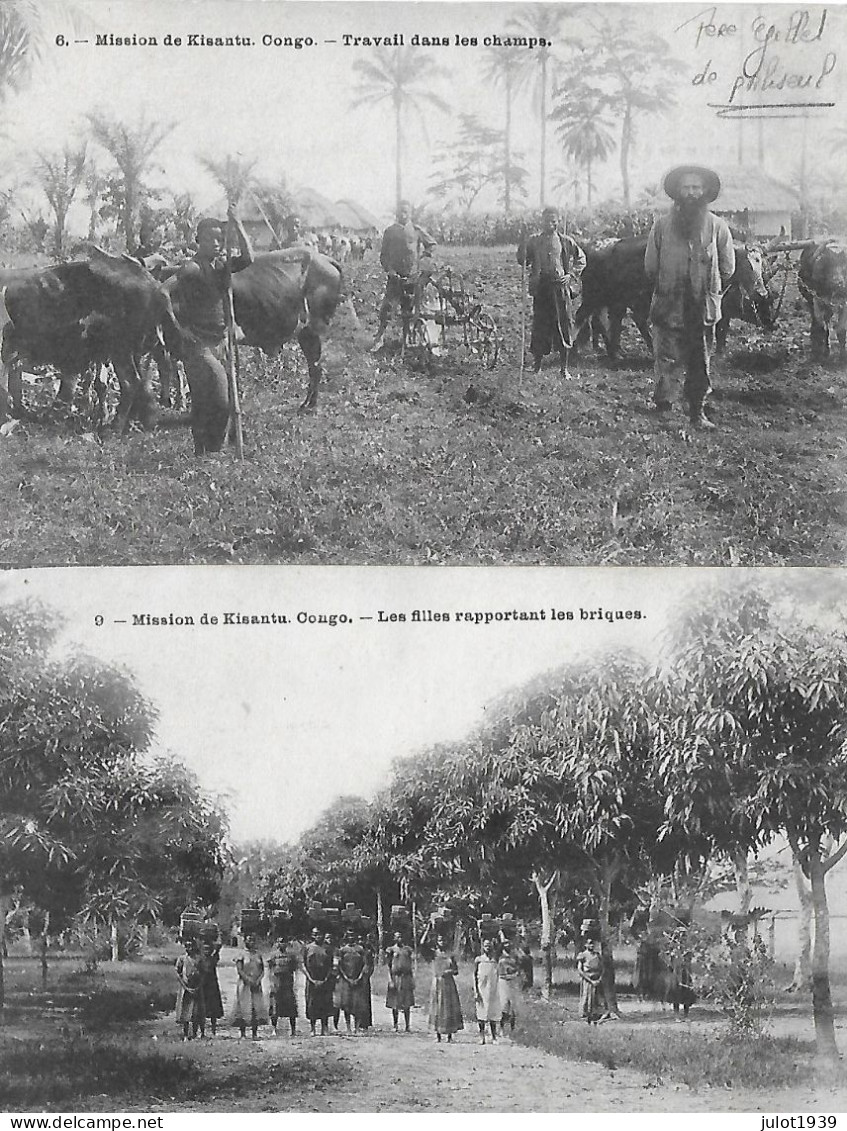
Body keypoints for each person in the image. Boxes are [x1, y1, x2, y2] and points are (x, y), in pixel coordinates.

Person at [644, 164, 735, 429]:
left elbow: (728, 269)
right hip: (669, 304)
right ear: (677, 192)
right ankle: (663, 406)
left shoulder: (718, 227)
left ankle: (698, 410)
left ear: (705, 191)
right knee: (666, 357)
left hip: (701, 307)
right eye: (686, 187)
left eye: (697, 187)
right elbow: (650, 267)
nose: (692, 193)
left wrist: (707, 287)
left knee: (700, 359)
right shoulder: (661, 227)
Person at [168, 204, 254, 455]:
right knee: (220, 401)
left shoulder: (221, 267)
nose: (216, 243)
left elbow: (249, 258)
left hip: (220, 341)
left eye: (220, 239)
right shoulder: (191, 268)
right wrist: (179, 328)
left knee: (207, 402)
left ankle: (205, 453)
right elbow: (162, 292)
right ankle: (209, 453)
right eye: (210, 239)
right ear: (198, 240)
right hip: (198, 345)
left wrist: (237, 224)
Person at [517, 207, 586, 380]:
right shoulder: (533, 241)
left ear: (558, 221)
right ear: (542, 221)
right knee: (540, 326)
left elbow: (581, 258)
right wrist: (522, 242)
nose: (551, 223)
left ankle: (564, 369)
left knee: (563, 325)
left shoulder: (565, 241)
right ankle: (537, 366)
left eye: (554, 220)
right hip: (541, 288)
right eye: (548, 220)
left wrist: (571, 275)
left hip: (560, 288)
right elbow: (522, 260)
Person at [371, 200, 436, 351]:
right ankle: (379, 338)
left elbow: (432, 244)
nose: (403, 214)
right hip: (395, 277)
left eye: (406, 211)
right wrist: (390, 270)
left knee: (409, 310)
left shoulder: (416, 230)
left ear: (410, 213)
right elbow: (384, 256)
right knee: (387, 308)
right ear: (396, 213)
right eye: (400, 211)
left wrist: (424, 256)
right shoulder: (390, 231)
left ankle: (406, 339)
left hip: (412, 277)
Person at [429, 934, 463, 1042]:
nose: (442, 942)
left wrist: (450, 971)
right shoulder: (433, 953)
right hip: (438, 982)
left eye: (443, 940)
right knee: (437, 1006)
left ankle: (449, 1035)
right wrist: (428, 928)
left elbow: (456, 970)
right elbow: (421, 945)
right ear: (437, 942)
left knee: (449, 1008)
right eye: (439, 940)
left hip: (448, 983)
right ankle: (438, 1034)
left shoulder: (450, 955)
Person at [232, 934, 267, 1039]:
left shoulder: (258, 955)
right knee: (243, 1007)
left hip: (256, 985)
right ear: (245, 941)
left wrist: (258, 980)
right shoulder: (241, 954)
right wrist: (248, 980)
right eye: (249, 940)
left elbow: (262, 970)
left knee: (255, 1008)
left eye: (253, 940)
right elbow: (239, 970)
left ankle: (254, 1033)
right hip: (244, 984)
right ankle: (243, 1033)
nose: (251, 942)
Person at [336, 928, 369, 1034]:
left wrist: (359, 977)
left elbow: (365, 964)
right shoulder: (343, 950)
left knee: (358, 1005)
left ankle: (357, 1027)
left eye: (352, 936)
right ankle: (348, 1027)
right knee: (347, 1004)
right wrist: (346, 978)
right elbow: (339, 966)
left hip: (358, 980)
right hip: (346, 981)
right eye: (348, 936)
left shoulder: (360, 949)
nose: (351, 938)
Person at [303, 926, 334, 1035]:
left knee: (324, 1003)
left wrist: (326, 979)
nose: (318, 936)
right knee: (312, 1003)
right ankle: (312, 1028)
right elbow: (303, 965)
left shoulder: (327, 948)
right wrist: (310, 979)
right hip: (312, 979)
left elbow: (331, 965)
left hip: (324, 979)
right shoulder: (307, 948)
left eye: (320, 934)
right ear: (312, 935)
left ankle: (324, 1027)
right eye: (315, 934)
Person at [268, 935, 300, 1037]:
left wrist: (294, 983)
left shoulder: (291, 955)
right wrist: (272, 982)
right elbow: (270, 968)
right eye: (280, 942)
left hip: (288, 983)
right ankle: (274, 1029)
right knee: (275, 1007)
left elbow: (295, 968)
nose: (282, 944)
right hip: (277, 982)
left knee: (291, 1006)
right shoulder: (273, 955)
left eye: (284, 942)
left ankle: (293, 1030)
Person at [385, 929, 415, 1032]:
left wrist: (412, 980)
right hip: (395, 977)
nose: (399, 938)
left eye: (401, 936)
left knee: (407, 1003)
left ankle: (407, 1026)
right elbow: (388, 966)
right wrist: (390, 980)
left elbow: (411, 966)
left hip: (406, 977)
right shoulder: (391, 950)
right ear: (394, 938)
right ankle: (395, 1025)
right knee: (395, 1003)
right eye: (397, 937)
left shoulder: (407, 950)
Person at [174, 938, 204, 1041]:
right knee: (185, 1012)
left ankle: (195, 1033)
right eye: (187, 946)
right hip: (186, 989)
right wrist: (185, 986)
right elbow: (178, 973)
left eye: (191, 946)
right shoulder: (182, 959)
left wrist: (198, 987)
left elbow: (203, 974)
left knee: (196, 1012)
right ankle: (186, 1034)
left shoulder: (199, 959)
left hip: (196, 988)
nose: (189, 948)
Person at [474, 936, 501, 1044]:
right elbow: (474, 975)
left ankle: (494, 1037)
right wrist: (476, 991)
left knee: (493, 1013)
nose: (488, 948)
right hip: (481, 989)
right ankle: (482, 1037)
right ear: (483, 947)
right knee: (481, 1013)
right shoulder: (479, 959)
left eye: (490, 946)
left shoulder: (495, 959)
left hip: (493, 989)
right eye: (486, 946)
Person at [576, 937, 607, 1025]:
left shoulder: (597, 955)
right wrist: (589, 980)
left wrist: (599, 979)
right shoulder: (583, 955)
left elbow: (602, 968)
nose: (591, 945)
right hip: (588, 980)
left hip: (597, 980)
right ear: (585, 945)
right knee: (587, 998)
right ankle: (586, 1017)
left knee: (597, 999)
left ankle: (597, 1016)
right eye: (589, 943)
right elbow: (580, 970)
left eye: (593, 943)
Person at [197, 939, 224, 1038]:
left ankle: (213, 1030)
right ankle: (202, 1031)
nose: (206, 951)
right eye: (205, 949)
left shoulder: (213, 959)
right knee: (201, 1010)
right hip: (202, 985)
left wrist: (217, 949)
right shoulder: (200, 959)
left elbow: (219, 947)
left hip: (212, 986)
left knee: (213, 1009)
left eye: (208, 949)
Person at [498, 938, 519, 1040]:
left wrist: (515, 975)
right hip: (503, 983)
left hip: (513, 982)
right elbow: (500, 973)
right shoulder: (500, 957)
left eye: (509, 943)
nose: (508, 945)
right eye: (505, 943)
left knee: (513, 1006)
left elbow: (518, 969)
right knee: (504, 1005)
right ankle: (501, 1028)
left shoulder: (514, 957)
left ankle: (512, 1030)